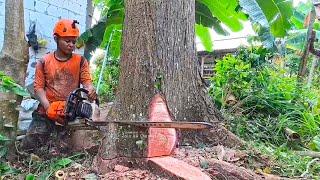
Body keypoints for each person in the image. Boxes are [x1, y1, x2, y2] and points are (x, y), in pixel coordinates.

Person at [22, 19, 97, 154]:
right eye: (67, 41)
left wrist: (90, 89)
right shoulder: (44, 61)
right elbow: (38, 88)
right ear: (56, 39)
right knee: (30, 145)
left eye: (73, 42)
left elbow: (86, 81)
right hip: (46, 111)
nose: (71, 45)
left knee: (66, 149)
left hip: (70, 111)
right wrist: (47, 106)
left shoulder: (80, 61)